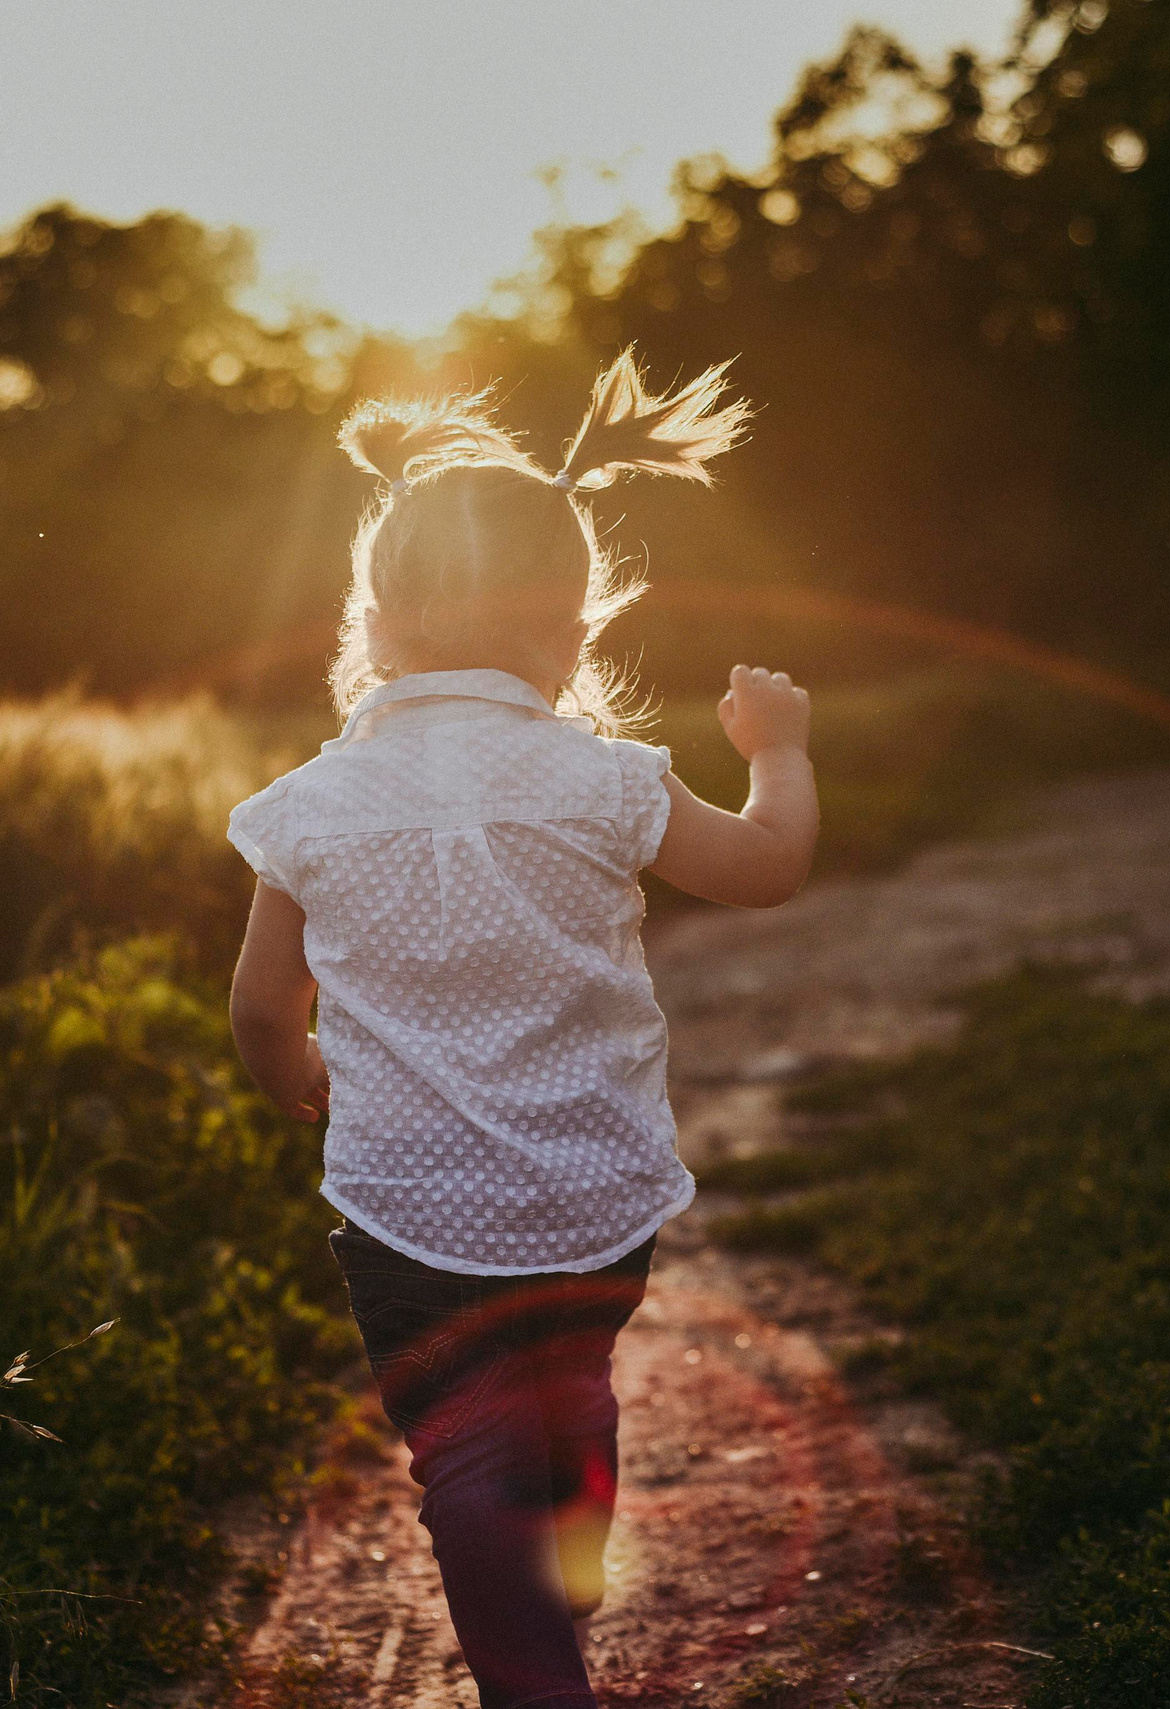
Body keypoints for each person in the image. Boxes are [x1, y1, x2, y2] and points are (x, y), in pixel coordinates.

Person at [225, 351, 818, 1709]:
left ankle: (533, 1677)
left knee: (471, 1458)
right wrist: (776, 747)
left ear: (376, 624)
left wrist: (298, 1080)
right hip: (590, 1206)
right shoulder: (605, 781)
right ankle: (567, 1556)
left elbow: (263, 1004)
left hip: (405, 1221)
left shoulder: (311, 805)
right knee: (569, 1394)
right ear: (573, 629)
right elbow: (768, 867)